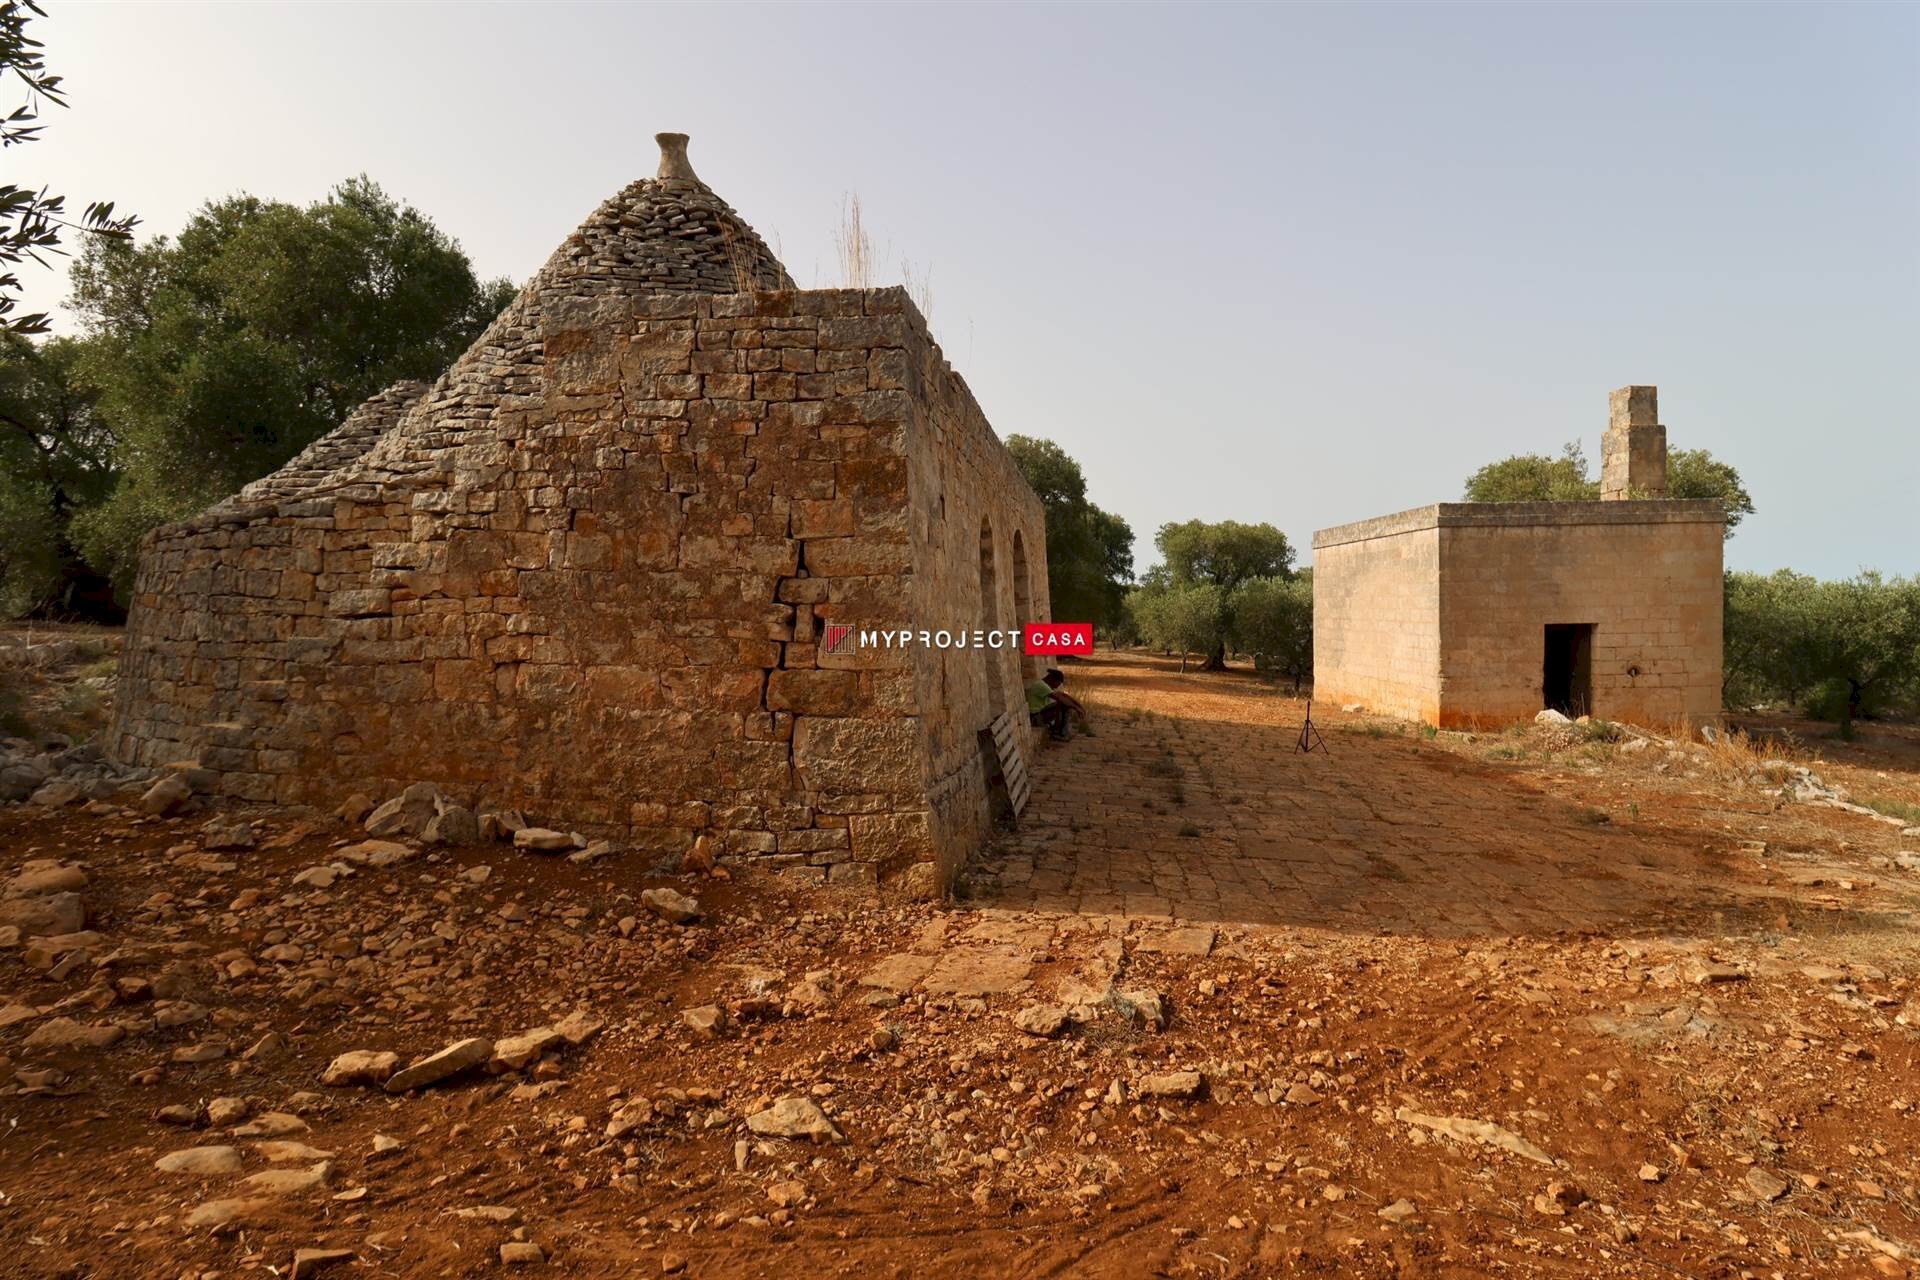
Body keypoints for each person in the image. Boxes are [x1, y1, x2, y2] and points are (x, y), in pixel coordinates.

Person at [1026, 667, 1089, 741]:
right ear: (1051, 679)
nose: (1055, 687)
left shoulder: (1045, 685)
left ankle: (1060, 732)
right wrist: (1076, 708)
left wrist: (1080, 707)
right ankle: (1060, 733)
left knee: (1064, 701)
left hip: (1040, 715)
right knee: (1063, 704)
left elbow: (1063, 695)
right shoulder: (1041, 685)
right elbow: (1060, 698)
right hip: (1036, 718)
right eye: (1056, 684)